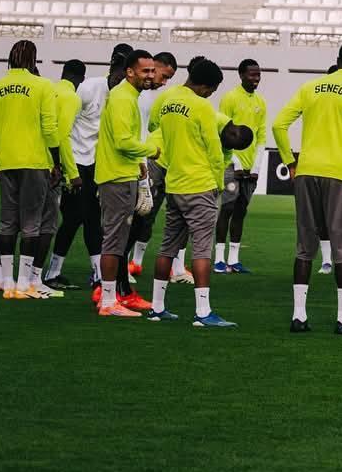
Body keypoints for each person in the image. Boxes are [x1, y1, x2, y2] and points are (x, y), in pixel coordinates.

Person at [273, 40, 342, 336]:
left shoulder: (311, 87)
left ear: (337, 59)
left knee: (305, 247)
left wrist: (289, 162)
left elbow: (279, 125)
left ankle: (299, 316)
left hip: (306, 171)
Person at [143, 57, 245, 327]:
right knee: (201, 250)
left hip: (173, 183)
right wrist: (218, 185)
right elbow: (214, 150)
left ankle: (157, 307)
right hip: (200, 185)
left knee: (167, 247)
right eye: (211, 90)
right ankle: (202, 313)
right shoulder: (202, 107)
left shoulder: (165, 99)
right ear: (204, 86)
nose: (211, 95)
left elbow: (153, 126)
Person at [0, 40, 61, 300]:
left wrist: (5, 149)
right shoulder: (42, 86)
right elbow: (50, 129)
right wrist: (56, 161)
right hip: (36, 161)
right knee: (31, 224)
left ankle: (6, 282)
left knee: (6, 223)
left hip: (7, 161)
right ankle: (25, 283)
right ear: (34, 59)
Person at [96, 49, 160, 317]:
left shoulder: (128, 96)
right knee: (114, 241)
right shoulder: (123, 98)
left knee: (117, 240)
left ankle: (111, 297)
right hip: (117, 177)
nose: (150, 75)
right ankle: (108, 301)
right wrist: (149, 151)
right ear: (130, 72)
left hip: (122, 174)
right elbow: (123, 141)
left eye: (152, 70)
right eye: (145, 71)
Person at [70, 44, 130, 297]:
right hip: (81, 163)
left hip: (106, 165)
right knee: (87, 218)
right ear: (112, 69)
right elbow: (68, 122)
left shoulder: (128, 95)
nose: (120, 82)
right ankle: (97, 272)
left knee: (107, 222)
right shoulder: (89, 88)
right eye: (118, 76)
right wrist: (67, 165)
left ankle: (106, 274)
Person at [127, 50, 178, 280]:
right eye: (163, 75)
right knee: (130, 217)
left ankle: (130, 266)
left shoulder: (149, 96)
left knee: (146, 213)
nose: (163, 82)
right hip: (135, 162)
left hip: (144, 161)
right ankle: (110, 273)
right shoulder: (131, 95)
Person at [215, 58, 267, 274]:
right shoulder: (230, 98)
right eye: (252, 74)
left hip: (249, 169)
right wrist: (235, 163)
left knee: (240, 211)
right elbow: (224, 132)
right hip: (230, 165)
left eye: (258, 74)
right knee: (226, 208)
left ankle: (234, 259)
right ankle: (218, 259)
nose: (256, 79)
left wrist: (255, 167)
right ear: (241, 75)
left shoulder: (260, 103)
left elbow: (261, 136)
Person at [38, 59, 86, 291]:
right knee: (47, 224)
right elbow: (62, 136)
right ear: (81, 79)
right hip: (52, 168)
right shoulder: (71, 97)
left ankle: (13, 275)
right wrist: (72, 173)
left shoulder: (47, 89)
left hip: (33, 162)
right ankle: (38, 279)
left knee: (24, 224)